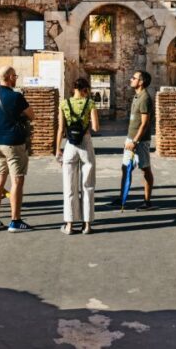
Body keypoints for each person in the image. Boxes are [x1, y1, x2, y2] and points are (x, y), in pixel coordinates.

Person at [0, 66, 35, 232]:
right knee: (17, 181)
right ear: (8, 77)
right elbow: (31, 115)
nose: (16, 78)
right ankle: (15, 221)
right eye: (15, 75)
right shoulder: (16, 96)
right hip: (13, 142)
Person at [56, 77, 100, 235]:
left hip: (70, 146)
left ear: (73, 88)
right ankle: (87, 225)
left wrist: (57, 150)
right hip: (85, 143)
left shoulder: (64, 104)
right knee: (88, 185)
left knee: (69, 186)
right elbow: (95, 127)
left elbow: (60, 129)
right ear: (85, 89)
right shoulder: (90, 103)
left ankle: (69, 225)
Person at [115, 70, 155, 210]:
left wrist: (135, 141)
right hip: (131, 139)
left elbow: (145, 123)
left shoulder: (145, 98)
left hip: (141, 141)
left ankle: (147, 202)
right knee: (125, 168)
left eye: (134, 78)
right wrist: (128, 139)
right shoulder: (137, 96)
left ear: (141, 81)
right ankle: (122, 199)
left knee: (145, 169)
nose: (131, 79)